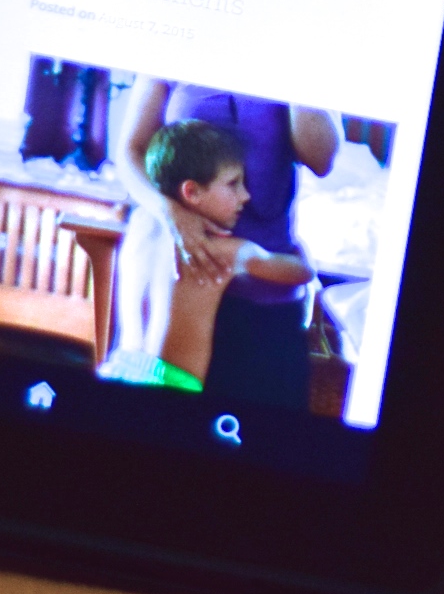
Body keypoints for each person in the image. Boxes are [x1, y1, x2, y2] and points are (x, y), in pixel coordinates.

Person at [112, 81, 337, 408]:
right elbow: (301, 272)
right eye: (234, 184)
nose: (244, 195)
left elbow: (322, 160)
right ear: (190, 192)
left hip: (126, 366)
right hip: (178, 380)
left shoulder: (139, 234)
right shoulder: (223, 251)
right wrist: (304, 253)